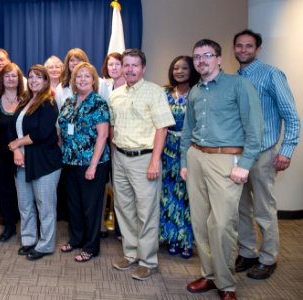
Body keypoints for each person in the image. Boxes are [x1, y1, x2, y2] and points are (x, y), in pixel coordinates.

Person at [181, 39, 263, 300]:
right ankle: (209, 275)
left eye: (207, 55)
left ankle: (226, 284)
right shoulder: (195, 91)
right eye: (197, 57)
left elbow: (255, 129)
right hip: (196, 158)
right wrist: (185, 162)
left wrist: (246, 165)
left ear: (219, 59)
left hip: (226, 161)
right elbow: (186, 130)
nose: (201, 61)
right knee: (201, 222)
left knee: (223, 224)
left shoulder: (239, 85)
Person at [233, 29, 300, 280]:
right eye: (239, 46)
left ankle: (268, 258)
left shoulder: (271, 74)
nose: (243, 50)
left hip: (263, 152)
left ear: (257, 49)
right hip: (239, 154)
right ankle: (248, 252)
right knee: (240, 208)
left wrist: (286, 150)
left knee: (264, 208)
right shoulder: (234, 78)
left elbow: (291, 115)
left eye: (248, 46)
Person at [109, 49, 175, 280]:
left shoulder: (154, 92)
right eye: (126, 65)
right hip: (120, 157)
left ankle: (148, 261)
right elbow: (112, 129)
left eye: (134, 65)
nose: (129, 69)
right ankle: (130, 254)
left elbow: (162, 128)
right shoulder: (115, 95)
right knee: (124, 209)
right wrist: (114, 157)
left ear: (143, 68)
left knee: (146, 212)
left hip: (145, 158)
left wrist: (155, 160)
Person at [8, 64, 62, 261]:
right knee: (25, 205)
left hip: (45, 162)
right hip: (22, 161)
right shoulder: (25, 101)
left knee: (45, 206)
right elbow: (12, 128)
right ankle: (29, 240)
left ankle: (46, 245)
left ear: (46, 81)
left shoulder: (49, 102)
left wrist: (17, 144)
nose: (34, 80)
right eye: (30, 77)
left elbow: (43, 132)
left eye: (38, 77)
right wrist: (16, 150)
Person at [58, 62, 110, 262]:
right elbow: (62, 129)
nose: (82, 80)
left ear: (94, 80)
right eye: (79, 76)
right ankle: (77, 239)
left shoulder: (98, 103)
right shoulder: (70, 102)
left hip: (91, 162)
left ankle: (91, 246)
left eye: (87, 76)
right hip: (70, 162)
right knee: (74, 205)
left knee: (91, 206)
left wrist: (93, 165)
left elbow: (103, 135)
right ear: (73, 80)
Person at [159, 55, 199, 259]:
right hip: (166, 151)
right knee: (167, 195)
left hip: (190, 150)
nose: (180, 71)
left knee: (187, 196)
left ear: (192, 70)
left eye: (184, 68)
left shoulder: (198, 92)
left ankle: (186, 240)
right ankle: (171, 238)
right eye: (176, 68)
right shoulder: (164, 92)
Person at [0, 63, 24, 242]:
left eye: (14, 75)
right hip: (2, 155)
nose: (11, 79)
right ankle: (9, 226)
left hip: (23, 154)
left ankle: (29, 228)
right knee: (5, 192)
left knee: (24, 192)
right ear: (2, 79)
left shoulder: (28, 99)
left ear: (19, 78)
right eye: (7, 76)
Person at [99, 51, 125, 240]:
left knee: (121, 190)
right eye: (110, 65)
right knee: (102, 187)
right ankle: (101, 226)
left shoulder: (131, 87)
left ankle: (121, 229)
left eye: (117, 64)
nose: (114, 68)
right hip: (103, 143)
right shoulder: (103, 86)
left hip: (120, 144)